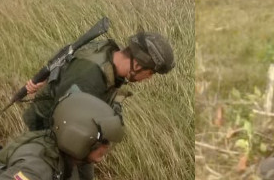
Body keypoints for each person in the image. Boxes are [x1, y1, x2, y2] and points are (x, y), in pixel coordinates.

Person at [21, 31, 174, 131]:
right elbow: (65, 125)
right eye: (150, 73)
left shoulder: (108, 53)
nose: (149, 78)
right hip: (44, 129)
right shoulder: (89, 78)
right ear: (137, 65)